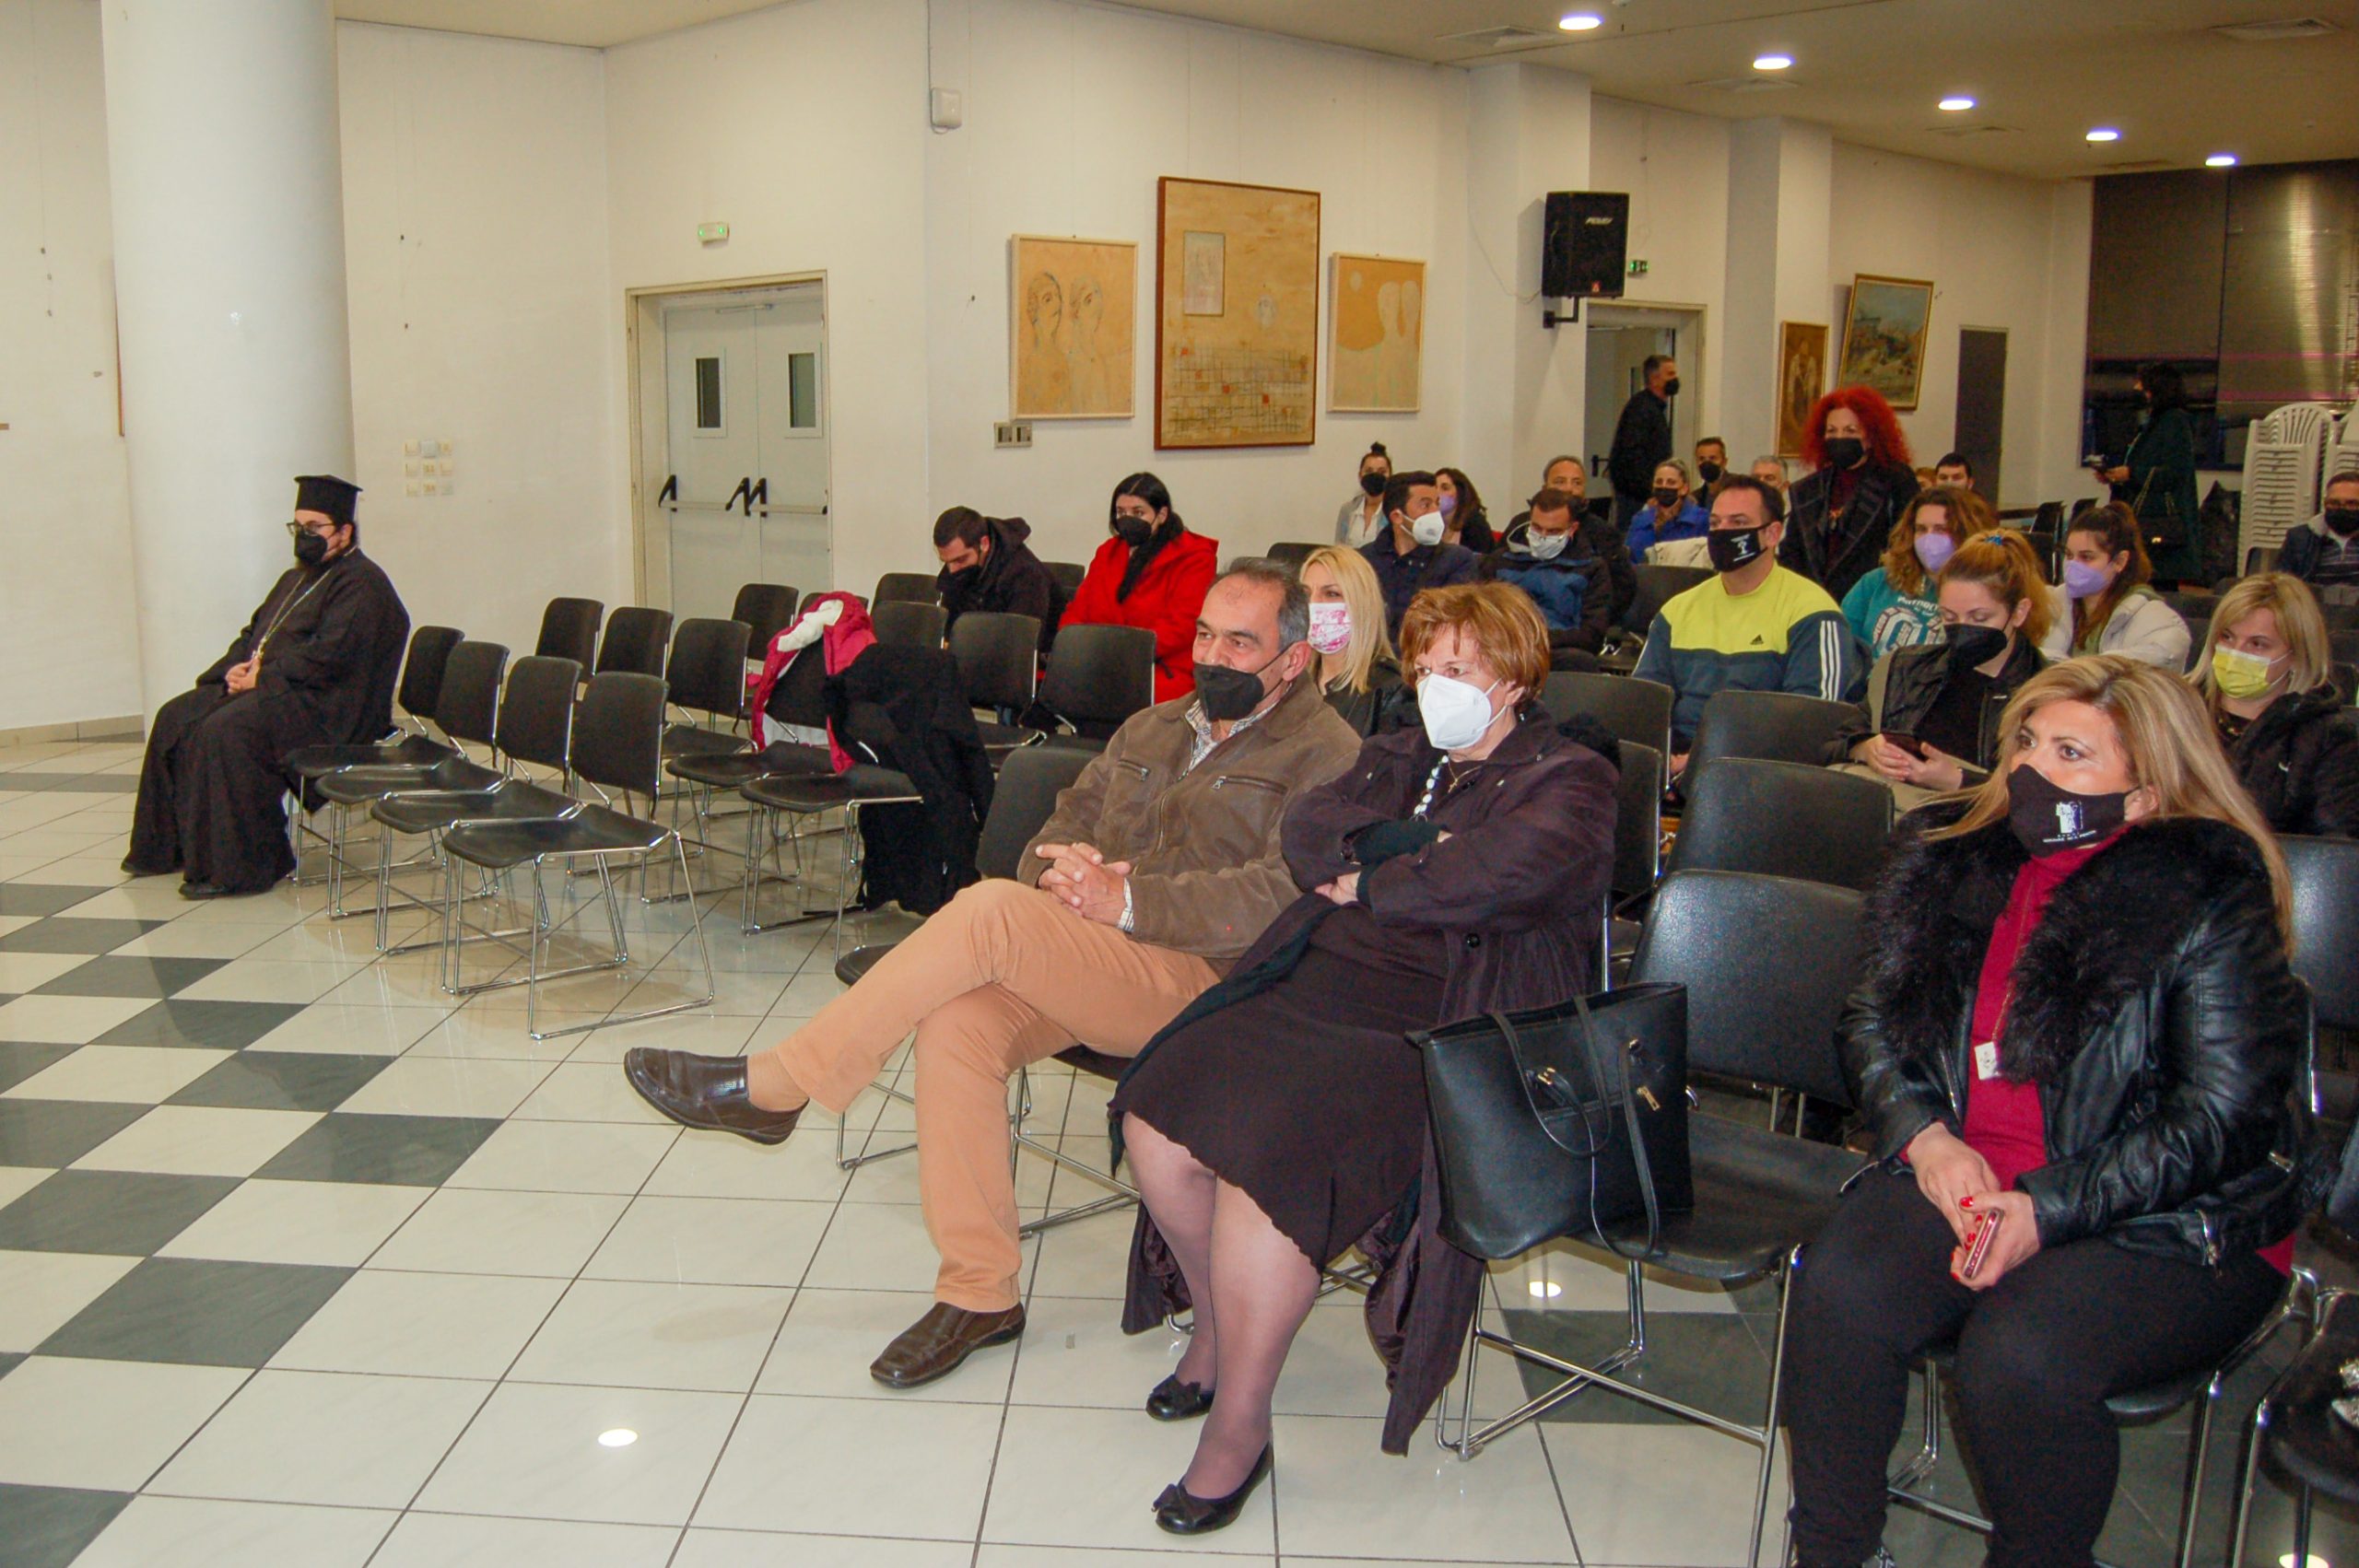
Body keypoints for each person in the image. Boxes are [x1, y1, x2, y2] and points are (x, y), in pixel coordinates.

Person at [623, 563, 1362, 1389]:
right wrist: (1059, 871)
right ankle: (980, 1293)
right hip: (1097, 952)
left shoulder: (1328, 754)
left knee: (988, 914)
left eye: (1240, 643)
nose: (1213, 657)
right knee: (958, 1023)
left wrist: (1130, 900)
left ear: (1294, 659)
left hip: (1215, 982)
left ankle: (783, 1085)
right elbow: (1063, 820)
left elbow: (1282, 892)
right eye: (1204, 636)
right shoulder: (1154, 726)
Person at [1786, 656, 2314, 1568]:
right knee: (1841, 1290)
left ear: (2146, 793)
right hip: (1973, 1171)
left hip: (2166, 1212)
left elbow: (2224, 1117)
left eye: (2071, 753)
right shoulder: (1957, 860)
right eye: (2026, 742)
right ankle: (1831, 1551)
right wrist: (1927, 1140)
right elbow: (1872, 1020)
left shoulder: (2206, 895)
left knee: (2021, 1355)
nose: (2031, 769)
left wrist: (2047, 1207)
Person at [1112, 581, 1614, 1529]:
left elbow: (1499, 871)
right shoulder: (1395, 752)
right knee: (1155, 1113)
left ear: (1514, 679)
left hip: (1434, 1020)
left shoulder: (1571, 777)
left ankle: (1239, 1425)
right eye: (1424, 668)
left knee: (1269, 1163)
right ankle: (1216, 1327)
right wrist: (1413, 851)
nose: (1434, 686)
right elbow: (1308, 830)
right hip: (1315, 981)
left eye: (1459, 668)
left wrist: (1376, 876)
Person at [124, 474, 409, 899]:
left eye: (314, 527)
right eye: (298, 527)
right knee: (176, 717)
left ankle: (242, 867)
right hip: (279, 690)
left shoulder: (362, 583)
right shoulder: (296, 579)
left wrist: (264, 677)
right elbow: (253, 633)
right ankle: (169, 848)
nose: (304, 536)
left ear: (345, 531)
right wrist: (235, 671)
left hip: (326, 708)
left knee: (226, 732)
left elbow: (333, 654)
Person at [1633, 475, 1864, 774]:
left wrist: (1704, 759)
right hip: (1675, 760)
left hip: (1762, 768)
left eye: (1738, 522)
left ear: (1772, 533)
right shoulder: (1677, 610)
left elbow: (1812, 725)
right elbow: (1646, 702)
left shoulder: (1812, 612)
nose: (1722, 532)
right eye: (1715, 523)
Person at [1831, 531, 2051, 806]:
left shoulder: (2047, 693)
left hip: (1974, 819)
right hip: (1889, 807)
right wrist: (1865, 748)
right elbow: (1834, 744)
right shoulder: (1906, 668)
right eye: (1949, 616)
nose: (1962, 628)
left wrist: (1958, 781)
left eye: (1979, 617)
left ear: (2019, 612)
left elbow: (2046, 795)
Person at [2194, 572, 2359, 838]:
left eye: (2258, 644)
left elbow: (2334, 846)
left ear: (2297, 655)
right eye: (2226, 637)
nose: (2236, 652)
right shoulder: (2173, 710)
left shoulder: (2329, 739)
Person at [1062, 473, 1220, 703]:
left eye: (1138, 513)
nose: (1127, 519)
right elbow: (1079, 608)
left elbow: (1183, 625)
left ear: (1162, 515)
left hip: (1162, 667)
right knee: (1059, 686)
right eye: (1121, 512)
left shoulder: (1194, 557)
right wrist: (1072, 643)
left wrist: (1121, 653)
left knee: (1104, 694)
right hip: (1102, 661)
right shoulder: (1108, 551)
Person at [1785, 386, 1921, 602]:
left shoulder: (1895, 481)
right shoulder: (1806, 490)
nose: (1840, 438)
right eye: (1832, 431)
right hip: (1812, 602)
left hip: (1872, 599)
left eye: (1850, 431)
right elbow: (1792, 553)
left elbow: (1904, 546)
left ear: (1871, 436)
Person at [1839, 485, 1990, 661]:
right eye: (1921, 529)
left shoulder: (1982, 593)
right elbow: (1840, 642)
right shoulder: (1876, 582)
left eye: (1941, 529)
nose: (1929, 538)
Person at [2099, 362, 2201, 588]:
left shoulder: (2174, 421)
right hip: (2148, 520)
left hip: (2158, 526)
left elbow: (2175, 472)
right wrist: (2116, 477)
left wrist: (2131, 474)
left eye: (2142, 384)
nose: (2136, 388)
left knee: (2157, 586)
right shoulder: (2155, 422)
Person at [1485, 486, 1612, 663]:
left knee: (1579, 660)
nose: (1542, 536)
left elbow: (1592, 635)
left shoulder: (1591, 568)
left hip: (1558, 651)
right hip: (1503, 648)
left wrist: (1537, 639)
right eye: (1536, 528)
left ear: (1572, 529)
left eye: (1553, 531)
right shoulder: (1500, 561)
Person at [1506, 454, 1636, 623]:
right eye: (1560, 481)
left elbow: (1622, 588)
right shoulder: (1520, 525)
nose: (1569, 489)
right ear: (1545, 487)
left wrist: (1594, 622)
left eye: (1577, 483)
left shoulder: (1602, 532)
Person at [1298, 545, 1411, 736]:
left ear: (1361, 605)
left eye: (1331, 594)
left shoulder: (1391, 690)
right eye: (1306, 594)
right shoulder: (1292, 682)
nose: (1314, 603)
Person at [2063, 500, 2189, 668]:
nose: (2073, 565)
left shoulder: (2151, 615)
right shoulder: (2055, 603)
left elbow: (2167, 652)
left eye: (2086, 557)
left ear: (2119, 561)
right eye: (2069, 555)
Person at [1359, 469, 1481, 639]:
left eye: (1437, 503)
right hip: (1371, 652)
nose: (1435, 512)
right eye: (1425, 505)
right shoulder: (1364, 560)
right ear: (1397, 516)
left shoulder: (1457, 560)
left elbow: (1450, 625)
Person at [933, 507, 1059, 654]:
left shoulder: (1027, 575)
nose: (952, 570)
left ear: (984, 544)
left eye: (960, 560)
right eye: (946, 562)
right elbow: (950, 630)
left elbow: (1021, 643)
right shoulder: (959, 568)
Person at [1606, 354, 1678, 528]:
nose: (1675, 379)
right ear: (1654, 379)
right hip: (1636, 497)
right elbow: (1633, 456)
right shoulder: (1642, 409)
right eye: (1670, 374)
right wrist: (1651, 492)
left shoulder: (1653, 408)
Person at [2276, 468, 2359, 607]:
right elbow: (2281, 586)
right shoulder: (2300, 539)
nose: (2341, 509)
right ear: (2325, 503)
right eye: (2334, 503)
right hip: (2313, 612)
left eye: (2351, 504)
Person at [1624, 459, 1710, 563]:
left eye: (1671, 482)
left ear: (1684, 488)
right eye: (1659, 482)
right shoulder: (1640, 519)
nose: (1664, 486)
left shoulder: (1701, 519)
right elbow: (1627, 558)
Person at [1334, 442, 1391, 547]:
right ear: (1360, 476)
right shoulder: (1347, 510)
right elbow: (1339, 548)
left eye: (1382, 472)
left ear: (1390, 476)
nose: (1375, 476)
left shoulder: (1395, 511)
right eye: (1369, 471)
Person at [1434, 466, 1496, 554]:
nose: (1437, 493)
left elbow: (1479, 559)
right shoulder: (1430, 524)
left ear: (1461, 493)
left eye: (1445, 488)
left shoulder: (1475, 523)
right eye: (1434, 488)